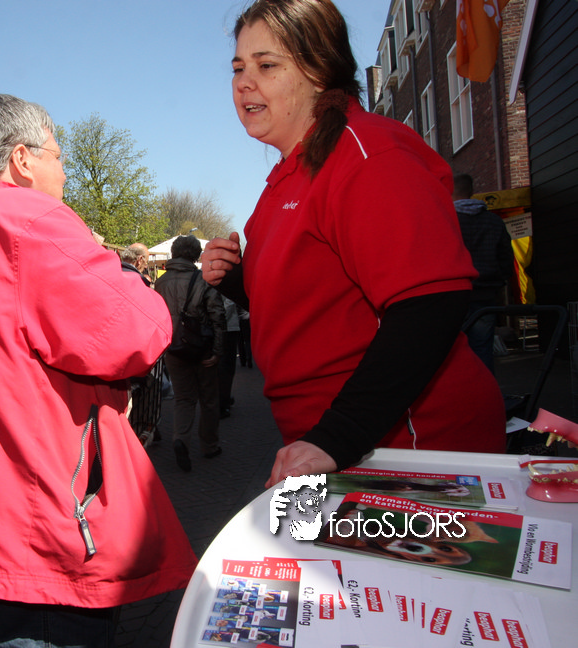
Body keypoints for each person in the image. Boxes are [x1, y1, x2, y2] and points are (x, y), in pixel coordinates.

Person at [0, 93, 196, 647]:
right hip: (33, 525)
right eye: (58, 155)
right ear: (22, 159)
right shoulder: (28, 218)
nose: (65, 171)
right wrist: (118, 269)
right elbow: (138, 331)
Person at [201, 0, 505, 487]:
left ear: (319, 69)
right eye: (238, 68)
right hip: (323, 447)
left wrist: (337, 436)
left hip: (407, 449)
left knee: (287, 535)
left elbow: (431, 303)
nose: (243, 82)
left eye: (267, 65)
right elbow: (311, 305)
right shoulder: (287, 176)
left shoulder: (368, 153)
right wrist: (237, 279)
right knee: (281, 539)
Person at [154, 235, 226, 471]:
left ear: (174, 253)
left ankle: (180, 439)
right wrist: (217, 351)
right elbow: (217, 317)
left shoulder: (161, 283)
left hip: (173, 349)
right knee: (209, 400)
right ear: (195, 254)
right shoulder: (202, 280)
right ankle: (209, 445)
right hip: (202, 348)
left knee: (183, 398)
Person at [452, 172, 515, 373]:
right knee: (482, 347)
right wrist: (499, 280)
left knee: (451, 350)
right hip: (486, 293)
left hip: (454, 293)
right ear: (472, 191)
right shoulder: (493, 221)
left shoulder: (446, 220)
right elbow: (506, 257)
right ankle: (485, 389)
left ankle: (461, 389)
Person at [218, 296, 241, 418]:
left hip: (220, 327)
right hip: (227, 328)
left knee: (222, 366)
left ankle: (223, 397)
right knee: (227, 367)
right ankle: (223, 400)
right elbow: (230, 304)